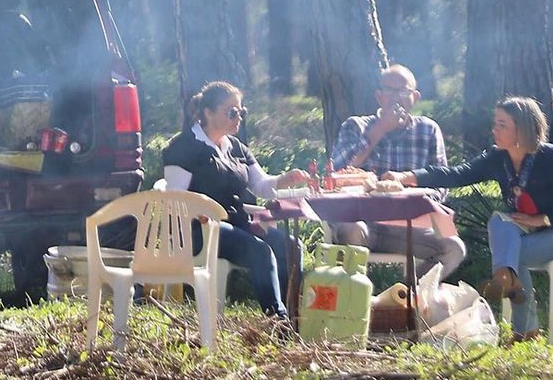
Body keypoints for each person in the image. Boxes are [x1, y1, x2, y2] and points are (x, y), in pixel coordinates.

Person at [422, 95, 553, 339]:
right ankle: (515, 301)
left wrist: (544, 219)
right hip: (544, 233)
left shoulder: (551, 157)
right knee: (500, 221)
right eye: (495, 124)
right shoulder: (500, 158)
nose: (494, 130)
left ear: (523, 127)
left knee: (514, 253)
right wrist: (409, 177)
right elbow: (457, 174)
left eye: (502, 125)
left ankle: (523, 323)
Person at [160, 81, 313, 316]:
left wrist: (285, 179)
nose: (238, 118)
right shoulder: (183, 147)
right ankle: (277, 320)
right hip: (197, 230)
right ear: (208, 113)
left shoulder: (236, 147)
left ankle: (294, 316)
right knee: (261, 251)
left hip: (236, 225)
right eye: (231, 112)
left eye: (241, 112)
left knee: (291, 246)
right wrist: (205, 215)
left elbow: (261, 185)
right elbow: (175, 199)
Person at [328, 64, 466, 282]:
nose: (395, 98)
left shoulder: (428, 130)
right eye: (389, 91)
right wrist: (380, 130)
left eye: (402, 91)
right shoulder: (356, 126)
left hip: (409, 225)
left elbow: (441, 183)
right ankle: (355, 295)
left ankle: (402, 294)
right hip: (362, 220)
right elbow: (337, 172)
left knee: (454, 249)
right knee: (352, 231)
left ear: (415, 97)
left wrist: (415, 197)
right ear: (379, 96)